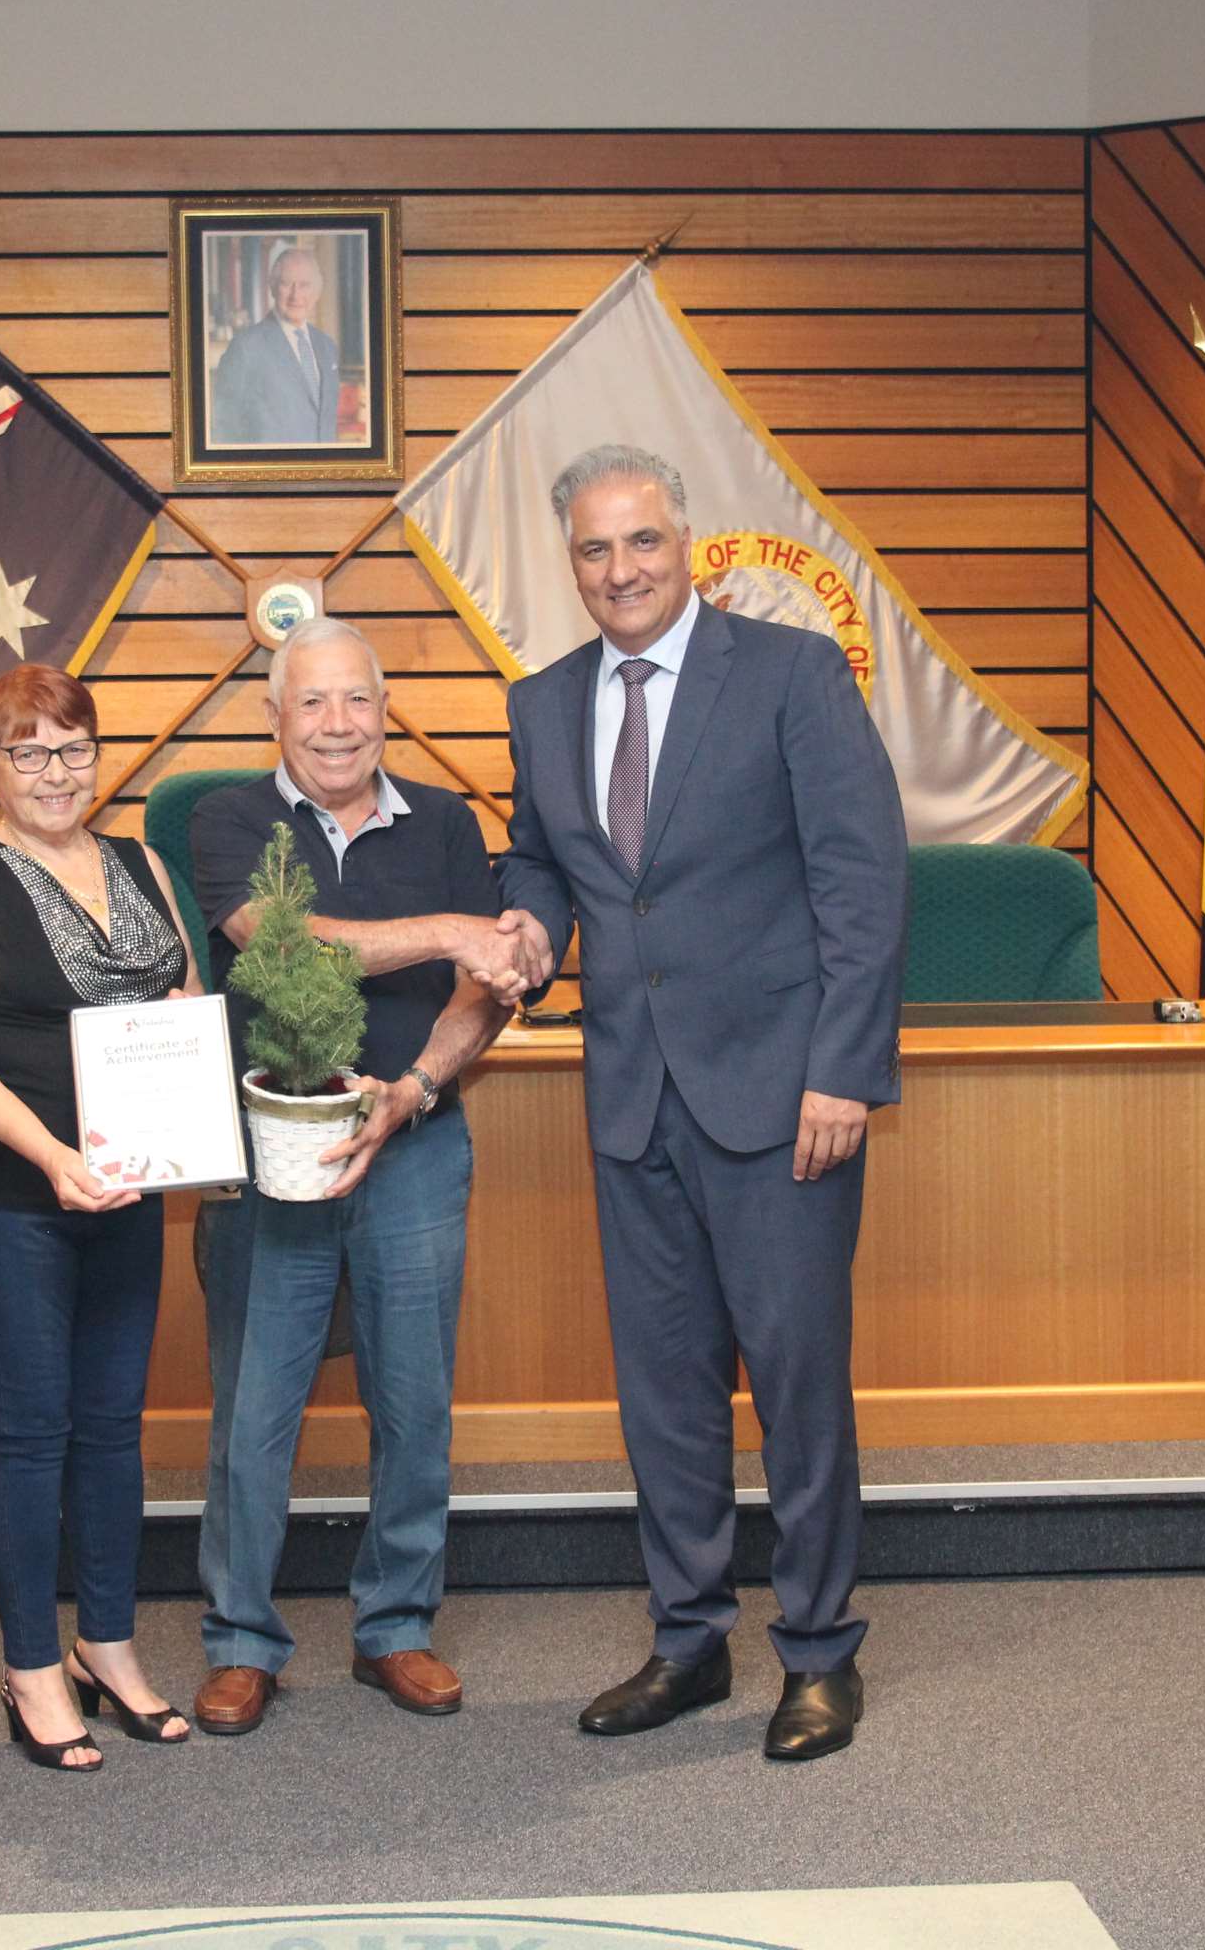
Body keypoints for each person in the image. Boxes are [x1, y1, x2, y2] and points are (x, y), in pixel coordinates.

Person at [495, 444, 907, 1764]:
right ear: (574, 565)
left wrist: (843, 1067)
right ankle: (687, 1642)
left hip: (784, 1094)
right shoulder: (543, 701)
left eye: (642, 543)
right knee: (664, 1392)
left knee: (796, 1381)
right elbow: (546, 860)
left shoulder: (789, 676)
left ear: (689, 544)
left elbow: (863, 879)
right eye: (595, 551)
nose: (620, 570)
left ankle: (821, 1654)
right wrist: (525, 927)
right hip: (630, 1096)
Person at [185, 617, 533, 1737]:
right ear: (274, 714)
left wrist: (415, 1089)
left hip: (417, 1137)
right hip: (271, 1147)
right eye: (313, 702)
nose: (337, 724)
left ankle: (397, 1622)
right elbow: (274, 942)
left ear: (385, 710)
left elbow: (480, 992)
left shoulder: (442, 819)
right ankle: (242, 1637)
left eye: (358, 702)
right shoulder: (227, 815)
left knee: (414, 1396)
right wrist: (450, 926)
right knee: (256, 1407)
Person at [0, 664, 202, 1774]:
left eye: (72, 747)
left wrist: (186, 1118)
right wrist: (55, 1157)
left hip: (126, 1188)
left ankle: (108, 1644)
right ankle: (31, 1664)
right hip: (11, 1195)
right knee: (34, 1434)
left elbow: (174, 1002)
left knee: (114, 1427)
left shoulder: (143, 864)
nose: (54, 771)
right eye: (27, 751)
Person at [208, 244, 342, 447]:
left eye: (304, 285)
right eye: (286, 284)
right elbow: (223, 428)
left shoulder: (327, 347)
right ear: (271, 287)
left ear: (316, 292)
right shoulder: (246, 347)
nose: (296, 295)